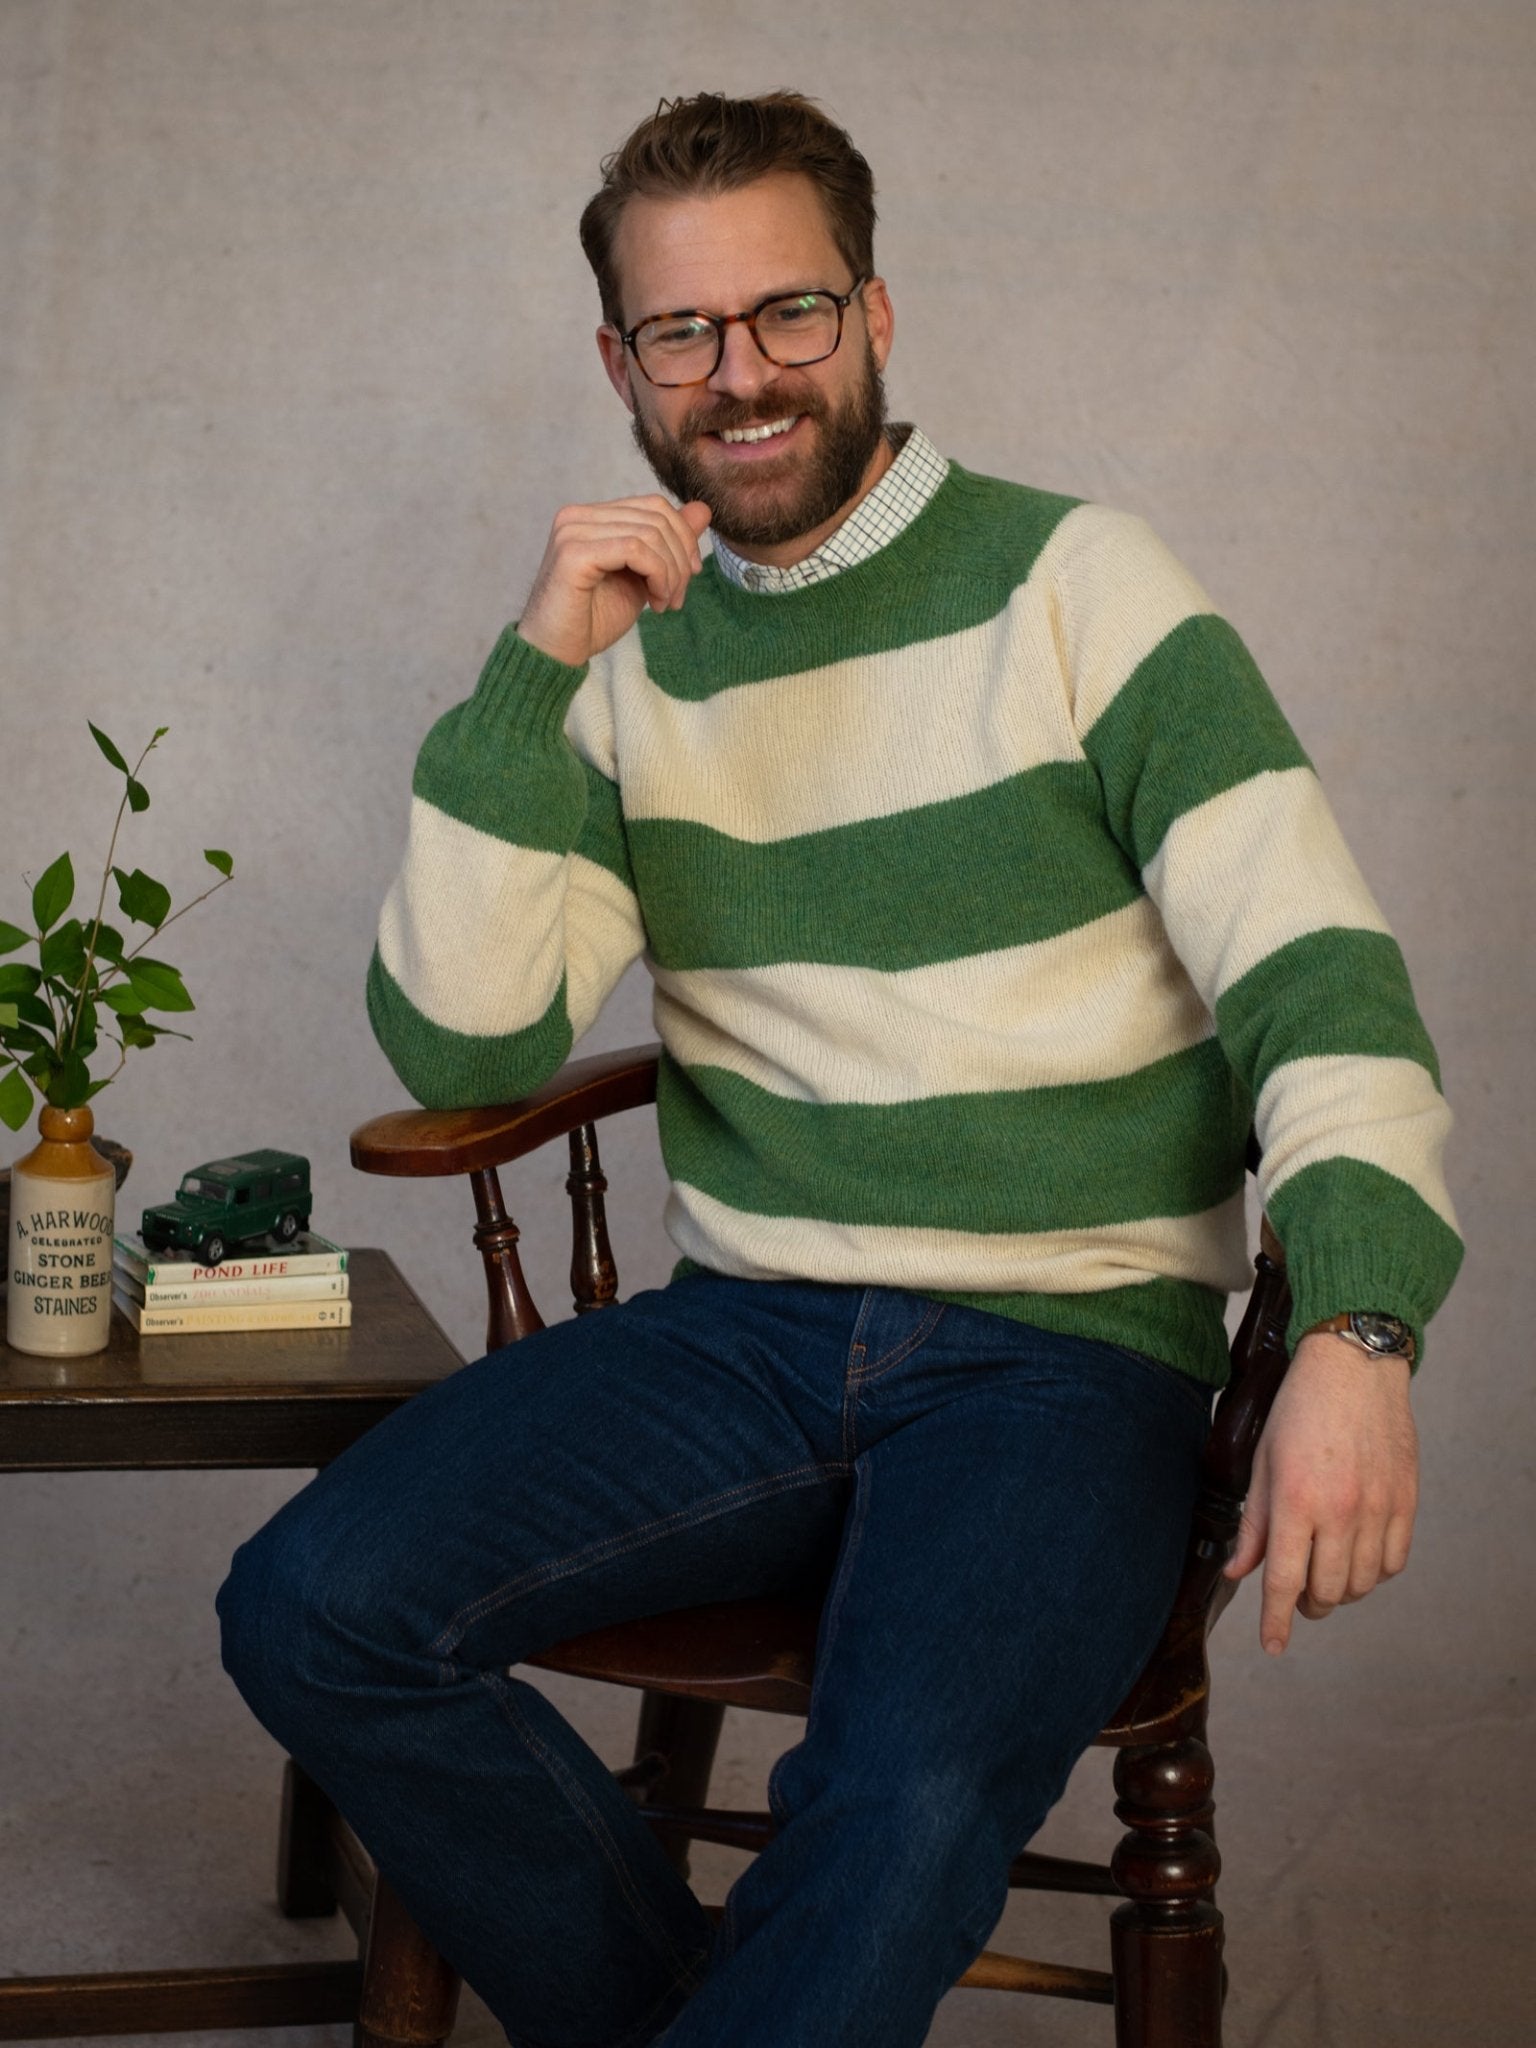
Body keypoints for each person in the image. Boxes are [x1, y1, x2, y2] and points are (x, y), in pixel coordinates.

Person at [218, 91, 1462, 2048]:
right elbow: (460, 1041)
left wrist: (1359, 1332)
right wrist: (538, 667)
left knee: (900, 1806)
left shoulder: (1086, 587)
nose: (745, 375)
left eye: (788, 314)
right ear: (621, 368)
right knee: (306, 1602)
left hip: (1064, 1356)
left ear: (877, 312)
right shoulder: (624, 664)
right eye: (685, 334)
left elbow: (1321, 973)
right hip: (754, 1336)